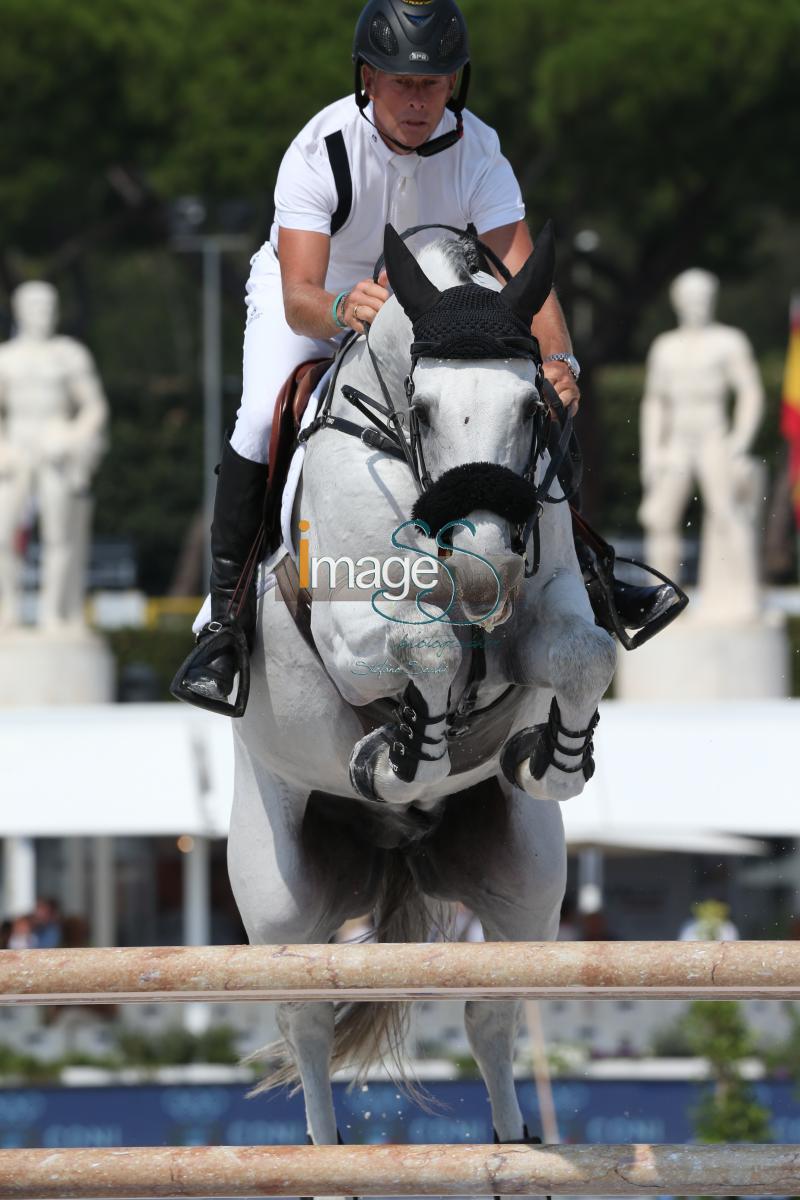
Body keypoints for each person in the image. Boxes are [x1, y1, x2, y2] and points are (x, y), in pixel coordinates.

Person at [176, 0, 674, 715]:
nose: (418, 100)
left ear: (454, 86)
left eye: (433, 83)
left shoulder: (478, 149)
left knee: (529, 400)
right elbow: (298, 295)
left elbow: (526, 278)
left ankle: (590, 568)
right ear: (369, 80)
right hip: (326, 298)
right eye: (401, 83)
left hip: (434, 313)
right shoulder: (323, 148)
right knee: (260, 417)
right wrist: (343, 306)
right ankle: (223, 622)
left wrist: (560, 363)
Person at [0, 281, 109, 629]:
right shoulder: (6, 358)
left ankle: (53, 611)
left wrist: (72, 438)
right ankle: (9, 609)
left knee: (59, 536)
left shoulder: (68, 354)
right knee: (4, 535)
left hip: (55, 446)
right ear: (19, 311)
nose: (41, 314)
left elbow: (94, 407)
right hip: (15, 448)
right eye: (33, 306)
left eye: (48, 306)